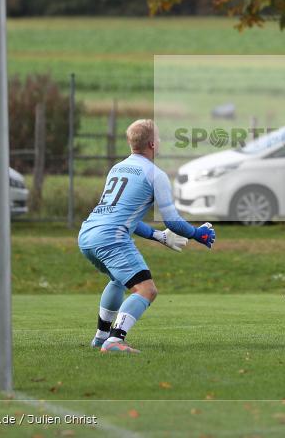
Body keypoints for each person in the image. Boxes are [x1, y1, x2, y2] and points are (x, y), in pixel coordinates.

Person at [78, 119, 216, 353]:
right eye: (159, 138)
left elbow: (123, 216)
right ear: (153, 144)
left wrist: (159, 236)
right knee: (146, 290)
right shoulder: (155, 174)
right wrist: (196, 234)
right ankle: (114, 340)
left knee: (118, 280)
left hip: (87, 235)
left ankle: (101, 337)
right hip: (112, 238)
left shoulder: (117, 168)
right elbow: (171, 220)